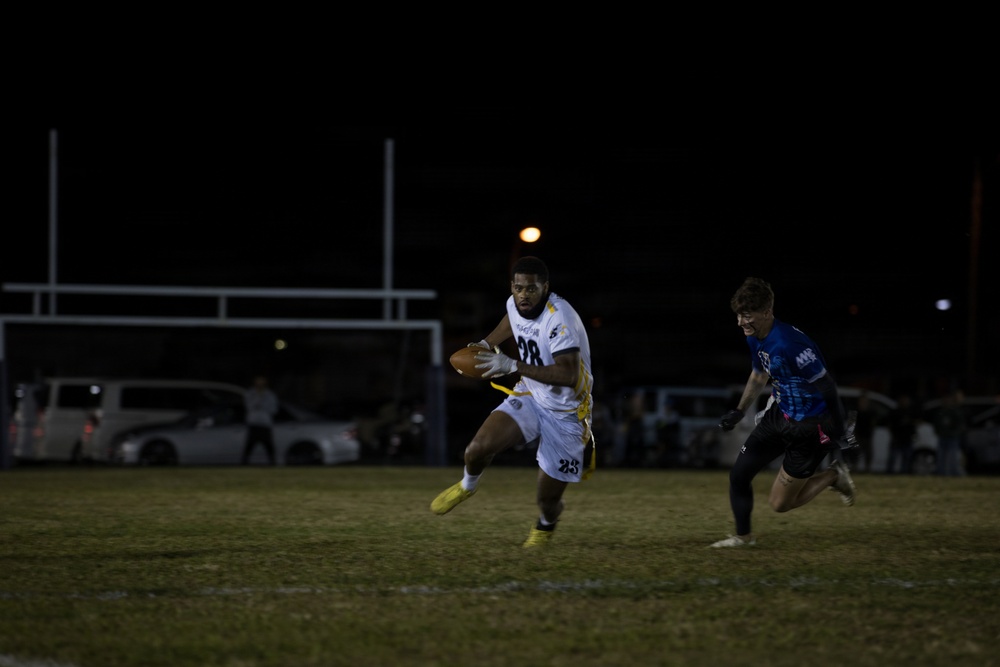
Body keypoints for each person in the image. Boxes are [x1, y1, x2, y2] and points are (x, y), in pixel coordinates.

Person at [430, 256, 595, 548]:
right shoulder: (515, 302)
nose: (523, 295)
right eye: (518, 288)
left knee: (546, 499)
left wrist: (512, 365)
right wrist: (485, 343)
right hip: (531, 393)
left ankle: (547, 523)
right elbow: (512, 319)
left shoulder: (560, 317)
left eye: (531, 289)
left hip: (566, 413)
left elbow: (568, 375)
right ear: (512, 286)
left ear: (545, 287)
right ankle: (468, 486)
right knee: (477, 449)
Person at [711, 277, 857, 548]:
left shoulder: (791, 344)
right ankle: (743, 538)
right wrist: (740, 410)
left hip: (811, 428)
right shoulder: (755, 337)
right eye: (739, 316)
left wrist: (839, 429)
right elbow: (759, 374)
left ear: (766, 312)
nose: (741, 322)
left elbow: (827, 386)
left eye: (747, 316)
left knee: (779, 504)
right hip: (779, 415)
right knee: (739, 475)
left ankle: (834, 475)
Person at [242, 374, 279, 465]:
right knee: (249, 446)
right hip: (253, 423)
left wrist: (263, 404)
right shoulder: (250, 393)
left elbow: (274, 409)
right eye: (258, 382)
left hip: (265, 424)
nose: (260, 384)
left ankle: (273, 464)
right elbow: (249, 406)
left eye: (262, 382)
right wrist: (259, 397)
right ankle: (244, 464)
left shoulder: (270, 394)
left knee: (269, 446)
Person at [933, 388, 966, 477]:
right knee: (941, 456)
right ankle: (941, 472)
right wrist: (939, 432)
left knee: (952, 457)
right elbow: (937, 424)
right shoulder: (941, 411)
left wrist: (954, 432)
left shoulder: (955, 411)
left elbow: (959, 424)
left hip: (952, 437)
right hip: (943, 436)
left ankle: (953, 473)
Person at [887, 393, 917, 474]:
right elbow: (890, 425)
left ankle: (905, 473)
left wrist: (913, 435)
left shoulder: (911, 412)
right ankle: (889, 473)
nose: (904, 402)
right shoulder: (895, 412)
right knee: (893, 458)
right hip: (897, 438)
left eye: (906, 400)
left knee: (907, 459)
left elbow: (914, 425)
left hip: (907, 439)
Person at [850, 391, 876, 473]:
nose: (863, 403)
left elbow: (873, 423)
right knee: (856, 453)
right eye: (862, 401)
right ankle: (855, 468)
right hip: (858, 435)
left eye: (865, 401)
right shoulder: (855, 411)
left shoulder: (871, 412)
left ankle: (867, 469)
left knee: (868, 453)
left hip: (867, 436)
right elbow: (851, 423)